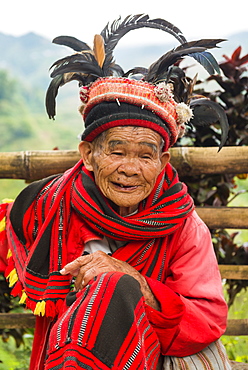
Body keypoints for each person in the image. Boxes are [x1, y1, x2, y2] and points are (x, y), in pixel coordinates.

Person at [0, 15, 231, 370]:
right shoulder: (52, 205)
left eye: (145, 155)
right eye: (117, 151)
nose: (130, 168)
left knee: (114, 287)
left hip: (154, 355)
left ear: (163, 160)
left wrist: (131, 280)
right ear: (88, 156)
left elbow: (207, 317)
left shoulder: (184, 226)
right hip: (67, 354)